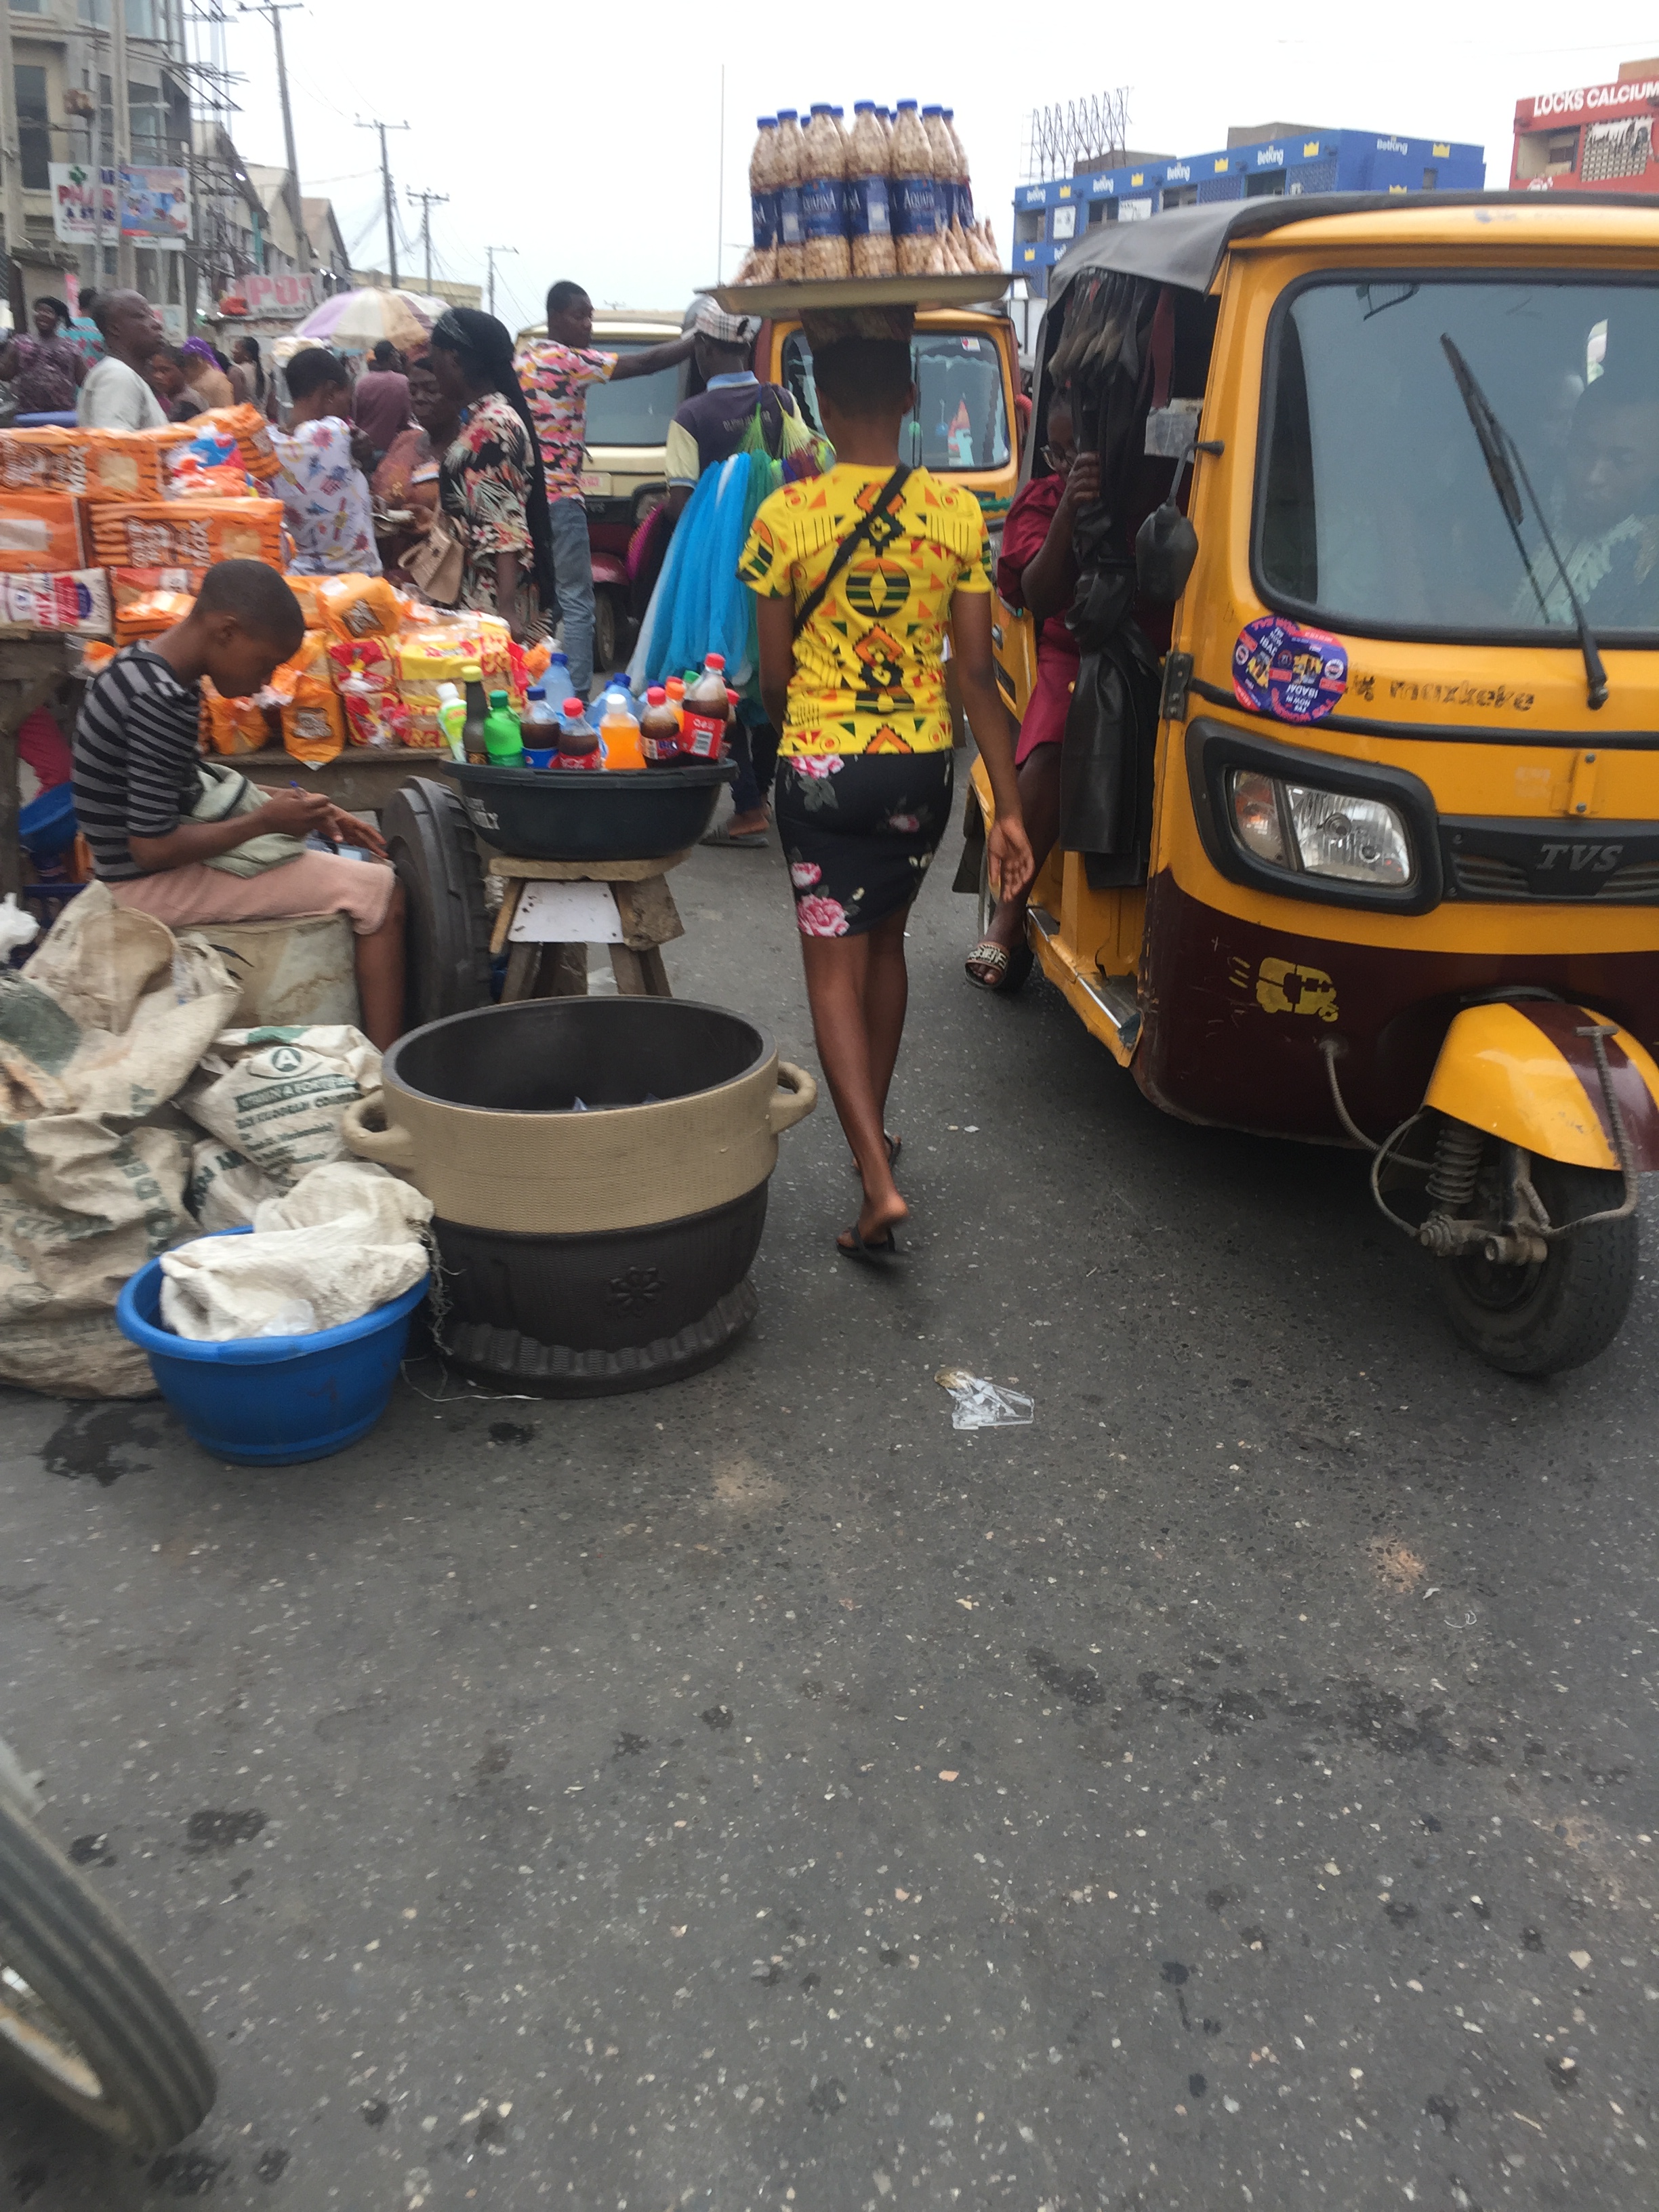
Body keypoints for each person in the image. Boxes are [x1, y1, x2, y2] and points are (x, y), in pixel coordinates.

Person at [739, 326, 1033, 1262]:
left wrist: (809, 729)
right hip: (919, 766)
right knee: (888, 945)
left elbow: (772, 678)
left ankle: (875, 1181)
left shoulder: (784, 517)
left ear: (821, 408)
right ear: (911, 399)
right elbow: (977, 676)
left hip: (823, 764)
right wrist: (1011, 809)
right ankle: (877, 1130)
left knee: (832, 966)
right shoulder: (957, 515)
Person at [72, 560, 406, 1050]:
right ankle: (384, 1072)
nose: (266, 682)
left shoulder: (138, 668)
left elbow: (180, 786)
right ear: (227, 632)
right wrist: (264, 821)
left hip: (130, 869)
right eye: (266, 664)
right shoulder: (161, 700)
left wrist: (300, 808)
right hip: (142, 886)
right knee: (380, 892)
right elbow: (152, 847)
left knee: (337, 862)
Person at [965, 389, 1099, 990]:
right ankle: (1010, 912)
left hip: (1159, 644)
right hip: (1073, 643)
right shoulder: (1041, 502)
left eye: (1077, 452)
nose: (1065, 464)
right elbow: (1038, 595)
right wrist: (1068, 509)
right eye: (1056, 453)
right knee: (1060, 737)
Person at [663, 301, 801, 847]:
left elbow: (680, 504)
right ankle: (764, 791)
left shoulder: (691, 416)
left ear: (702, 348)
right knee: (772, 668)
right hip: (782, 558)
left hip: (716, 575)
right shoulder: (781, 400)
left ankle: (747, 805)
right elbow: (806, 467)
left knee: (719, 678)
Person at [515, 283, 693, 695]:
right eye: (580, 316)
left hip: (527, 502)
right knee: (577, 602)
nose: (588, 325)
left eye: (590, 316)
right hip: (562, 501)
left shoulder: (524, 359)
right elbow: (645, 364)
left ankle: (531, 687)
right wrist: (695, 340)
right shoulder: (568, 360)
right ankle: (576, 699)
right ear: (555, 317)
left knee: (536, 601)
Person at [428, 307, 556, 640]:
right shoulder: (485, 418)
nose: (434, 372)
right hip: (481, 592)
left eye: (435, 359)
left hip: (487, 600)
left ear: (453, 359)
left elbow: (503, 524)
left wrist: (507, 610)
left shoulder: (492, 427)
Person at [1520, 371, 1659, 630]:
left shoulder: (1652, 563)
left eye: (1622, 461)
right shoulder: (1520, 504)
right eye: (1584, 452)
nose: (1593, 476)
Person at [272, 346, 382, 575]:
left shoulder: (270, 445)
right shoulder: (335, 431)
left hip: (300, 577)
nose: (348, 411)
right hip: (356, 578)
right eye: (348, 400)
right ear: (330, 393)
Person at [371, 358, 457, 583]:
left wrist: (422, 521)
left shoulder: (464, 452)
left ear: (453, 392)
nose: (419, 398)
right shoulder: (405, 440)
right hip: (386, 576)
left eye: (431, 390)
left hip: (434, 579)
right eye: (413, 391)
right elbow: (377, 488)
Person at [77, 290, 167, 430]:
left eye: (153, 316)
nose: (158, 324)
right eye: (142, 316)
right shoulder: (118, 376)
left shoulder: (122, 374)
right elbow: (114, 441)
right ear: (115, 329)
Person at [0, 298, 87, 415]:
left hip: (62, 415)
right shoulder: (20, 343)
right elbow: (6, 374)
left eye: (49, 312)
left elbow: (86, 381)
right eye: (39, 310)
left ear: (58, 319)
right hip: (28, 414)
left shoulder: (70, 348)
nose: (42, 314)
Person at [352, 337, 413, 467]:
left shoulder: (362, 383)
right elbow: (405, 419)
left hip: (364, 451)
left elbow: (355, 417)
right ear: (392, 356)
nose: (399, 360)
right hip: (392, 450)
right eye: (396, 355)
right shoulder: (403, 382)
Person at [144, 344, 197, 423]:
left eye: (165, 370)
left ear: (183, 371)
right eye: (154, 370)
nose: (157, 376)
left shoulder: (186, 405)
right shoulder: (170, 398)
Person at [180, 337, 234, 411]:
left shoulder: (218, 379)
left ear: (201, 357)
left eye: (193, 355)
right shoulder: (183, 376)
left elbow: (226, 409)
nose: (191, 359)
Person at [229, 335, 270, 413]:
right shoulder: (265, 375)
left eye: (236, 348)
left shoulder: (236, 372)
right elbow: (271, 407)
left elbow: (235, 404)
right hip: (263, 419)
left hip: (245, 419)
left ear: (246, 355)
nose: (233, 351)